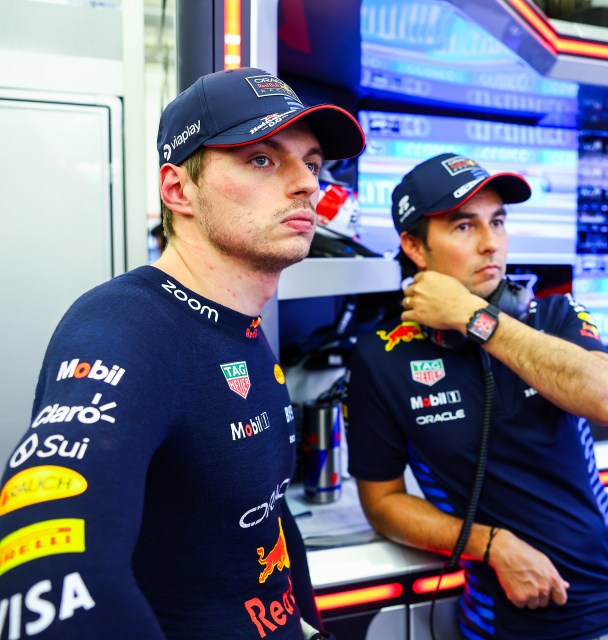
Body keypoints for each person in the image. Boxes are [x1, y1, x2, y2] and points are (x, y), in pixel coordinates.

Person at [0, 67, 364, 639]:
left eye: (312, 164)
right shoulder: (123, 326)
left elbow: (263, 513)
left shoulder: (239, 324)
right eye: (262, 159)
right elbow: (47, 571)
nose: (306, 185)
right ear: (177, 190)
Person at [345, 153, 608, 639]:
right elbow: (382, 503)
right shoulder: (381, 357)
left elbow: (607, 400)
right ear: (415, 246)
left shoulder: (554, 317)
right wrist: (491, 545)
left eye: (497, 221)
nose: (491, 243)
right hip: (492, 622)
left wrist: (474, 318)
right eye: (464, 226)